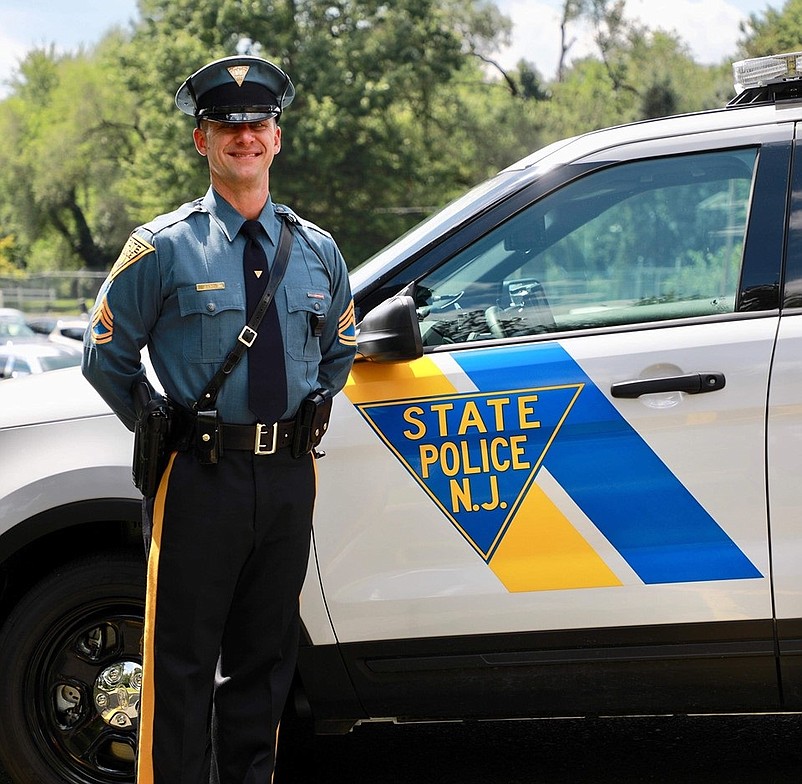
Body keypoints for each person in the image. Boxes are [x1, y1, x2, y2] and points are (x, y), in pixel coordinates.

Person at [82, 54, 357, 783]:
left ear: (277, 138)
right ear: (201, 141)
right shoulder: (163, 246)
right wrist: (155, 420)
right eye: (225, 126)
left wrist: (304, 418)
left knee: (265, 667)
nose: (245, 137)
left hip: (290, 477)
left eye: (258, 124)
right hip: (199, 480)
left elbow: (340, 351)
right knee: (179, 667)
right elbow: (103, 351)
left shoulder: (319, 251)